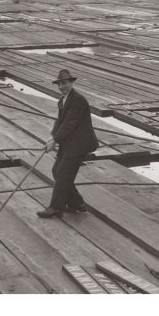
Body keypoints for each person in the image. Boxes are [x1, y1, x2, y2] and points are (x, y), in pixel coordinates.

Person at [37, 69, 99, 218]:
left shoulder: (78, 100)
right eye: (59, 84)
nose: (61, 87)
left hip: (80, 144)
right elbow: (60, 122)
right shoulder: (63, 99)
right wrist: (52, 137)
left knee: (63, 173)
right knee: (57, 171)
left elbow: (69, 124)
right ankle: (77, 203)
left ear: (71, 83)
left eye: (64, 83)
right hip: (69, 142)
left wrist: (56, 141)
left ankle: (56, 207)